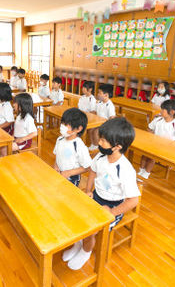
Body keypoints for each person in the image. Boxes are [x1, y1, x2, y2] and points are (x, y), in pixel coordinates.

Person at [63, 117, 140, 270]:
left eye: (103, 140)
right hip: (96, 197)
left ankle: (85, 251)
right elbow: (93, 170)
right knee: (76, 214)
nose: (99, 142)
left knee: (91, 228)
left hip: (113, 205)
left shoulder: (125, 169)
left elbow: (133, 200)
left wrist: (112, 211)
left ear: (117, 146)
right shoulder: (100, 156)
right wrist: (88, 190)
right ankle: (79, 243)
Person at [138, 99, 175, 179]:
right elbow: (149, 128)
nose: (161, 111)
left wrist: (174, 146)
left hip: (166, 148)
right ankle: (141, 170)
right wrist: (152, 136)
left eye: (163, 109)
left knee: (152, 156)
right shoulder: (158, 120)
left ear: (172, 112)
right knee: (145, 153)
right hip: (155, 144)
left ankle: (146, 173)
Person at [53, 108, 92, 186]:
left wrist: (69, 173)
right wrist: (56, 165)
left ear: (78, 129)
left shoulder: (79, 146)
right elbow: (57, 155)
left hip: (72, 177)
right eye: (63, 123)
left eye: (66, 124)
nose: (62, 126)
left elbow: (88, 167)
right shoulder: (60, 139)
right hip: (59, 172)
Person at [89, 84, 116, 151]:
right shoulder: (99, 102)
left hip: (105, 125)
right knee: (90, 129)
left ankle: (96, 147)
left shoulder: (110, 105)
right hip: (98, 122)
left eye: (99, 93)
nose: (97, 94)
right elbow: (95, 112)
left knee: (96, 131)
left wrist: (106, 125)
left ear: (106, 95)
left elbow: (112, 117)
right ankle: (93, 144)